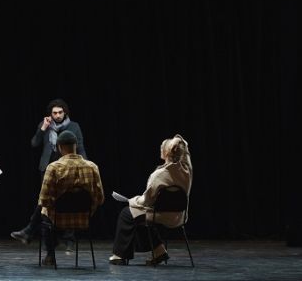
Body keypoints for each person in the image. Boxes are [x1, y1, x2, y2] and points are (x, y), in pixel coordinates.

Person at [11, 98, 87, 251]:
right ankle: (45, 237)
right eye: (54, 113)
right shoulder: (44, 125)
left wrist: (84, 163)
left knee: (66, 200)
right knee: (47, 202)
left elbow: (80, 147)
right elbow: (34, 143)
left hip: (68, 168)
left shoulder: (73, 126)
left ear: (64, 113)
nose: (57, 115)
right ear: (50, 114)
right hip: (48, 169)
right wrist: (43, 128)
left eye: (60, 112)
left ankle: (66, 238)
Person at [109, 134, 192, 266]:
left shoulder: (159, 175)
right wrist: (178, 140)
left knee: (127, 213)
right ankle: (159, 251)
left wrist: (132, 200)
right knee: (138, 216)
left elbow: (146, 201)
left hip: (161, 216)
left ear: (165, 152)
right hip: (179, 216)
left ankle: (119, 255)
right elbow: (185, 150)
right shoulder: (187, 170)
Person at [36, 131, 104, 266]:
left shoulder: (54, 168)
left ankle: (50, 255)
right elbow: (100, 198)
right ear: (76, 145)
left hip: (57, 220)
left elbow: (44, 200)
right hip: (84, 219)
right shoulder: (92, 167)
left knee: (43, 211)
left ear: (59, 147)